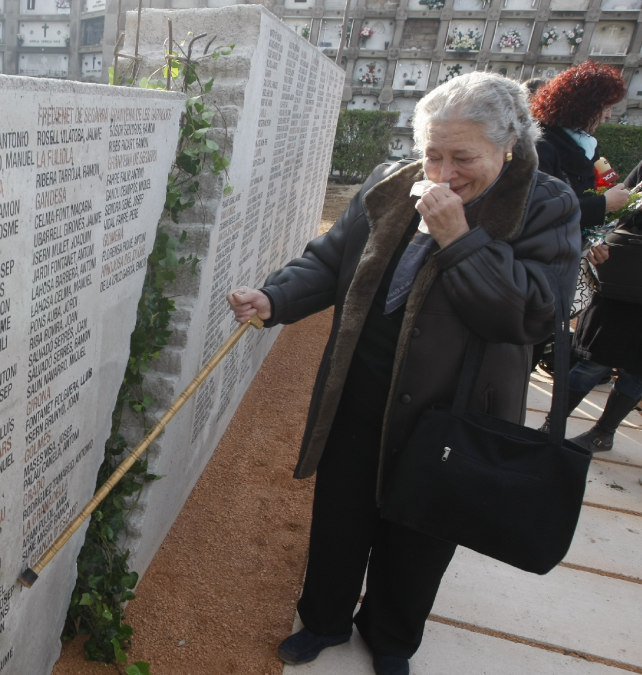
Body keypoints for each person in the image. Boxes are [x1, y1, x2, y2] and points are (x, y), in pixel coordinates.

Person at [228, 72, 581, 675]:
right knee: (341, 514)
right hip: (361, 386)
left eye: (463, 157)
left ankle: (392, 636)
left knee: (420, 531)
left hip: (452, 404)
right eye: (433, 154)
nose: (443, 173)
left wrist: (458, 237)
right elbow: (335, 256)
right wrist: (276, 299)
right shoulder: (394, 182)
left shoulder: (546, 204)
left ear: (509, 147)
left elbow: (529, 314)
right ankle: (324, 620)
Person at [547, 157, 642, 452]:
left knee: (637, 368)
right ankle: (553, 425)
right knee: (592, 360)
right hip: (623, 279)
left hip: (626, 278)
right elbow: (621, 205)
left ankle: (603, 432)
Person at [532, 61, 629, 231]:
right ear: (583, 107)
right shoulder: (541, 145)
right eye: (605, 107)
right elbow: (540, 210)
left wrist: (590, 243)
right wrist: (603, 204)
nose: (608, 115)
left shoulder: (587, 146)